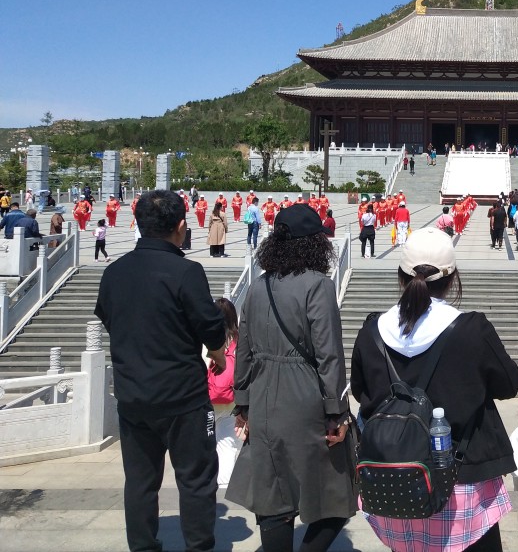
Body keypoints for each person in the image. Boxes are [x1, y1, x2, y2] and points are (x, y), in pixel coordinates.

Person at [351, 227, 518, 552]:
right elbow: (509, 383)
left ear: (402, 275)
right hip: (461, 478)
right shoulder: (472, 330)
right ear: (452, 277)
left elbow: (361, 393)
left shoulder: (372, 331)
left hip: (395, 478)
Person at [94, 189, 227, 552]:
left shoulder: (115, 272)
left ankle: (143, 546)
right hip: (182, 396)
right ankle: (198, 546)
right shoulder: (186, 271)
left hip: (133, 395)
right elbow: (212, 328)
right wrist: (217, 355)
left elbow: (108, 318)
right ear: (181, 226)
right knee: (196, 479)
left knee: (140, 480)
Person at [227, 204, 355, 552]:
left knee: (273, 495)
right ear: (315, 244)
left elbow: (244, 349)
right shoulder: (319, 286)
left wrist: (243, 402)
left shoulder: (258, 287)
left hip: (264, 395)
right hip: (306, 396)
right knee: (336, 492)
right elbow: (328, 355)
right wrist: (336, 412)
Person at [208, 297, 240, 490]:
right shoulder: (240, 340)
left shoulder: (207, 339)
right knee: (228, 443)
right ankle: (225, 481)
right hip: (231, 400)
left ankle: (207, 479)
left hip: (208, 400)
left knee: (206, 443)